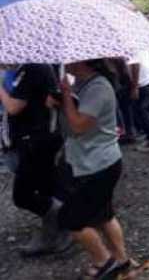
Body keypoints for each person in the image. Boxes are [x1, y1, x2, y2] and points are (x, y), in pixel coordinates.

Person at [52, 59, 129, 279]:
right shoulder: (82, 83)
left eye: (69, 58)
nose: (64, 62)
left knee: (71, 220)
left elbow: (78, 126)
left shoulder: (98, 87)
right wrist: (59, 100)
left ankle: (104, 262)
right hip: (90, 161)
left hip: (98, 165)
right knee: (104, 215)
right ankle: (122, 261)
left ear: (83, 61)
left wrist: (65, 95)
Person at [0, 63, 71, 256]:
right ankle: (57, 231)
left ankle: (66, 224)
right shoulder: (25, 69)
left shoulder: (34, 68)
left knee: (22, 196)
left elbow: (14, 107)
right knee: (47, 188)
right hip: (33, 139)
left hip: (38, 141)